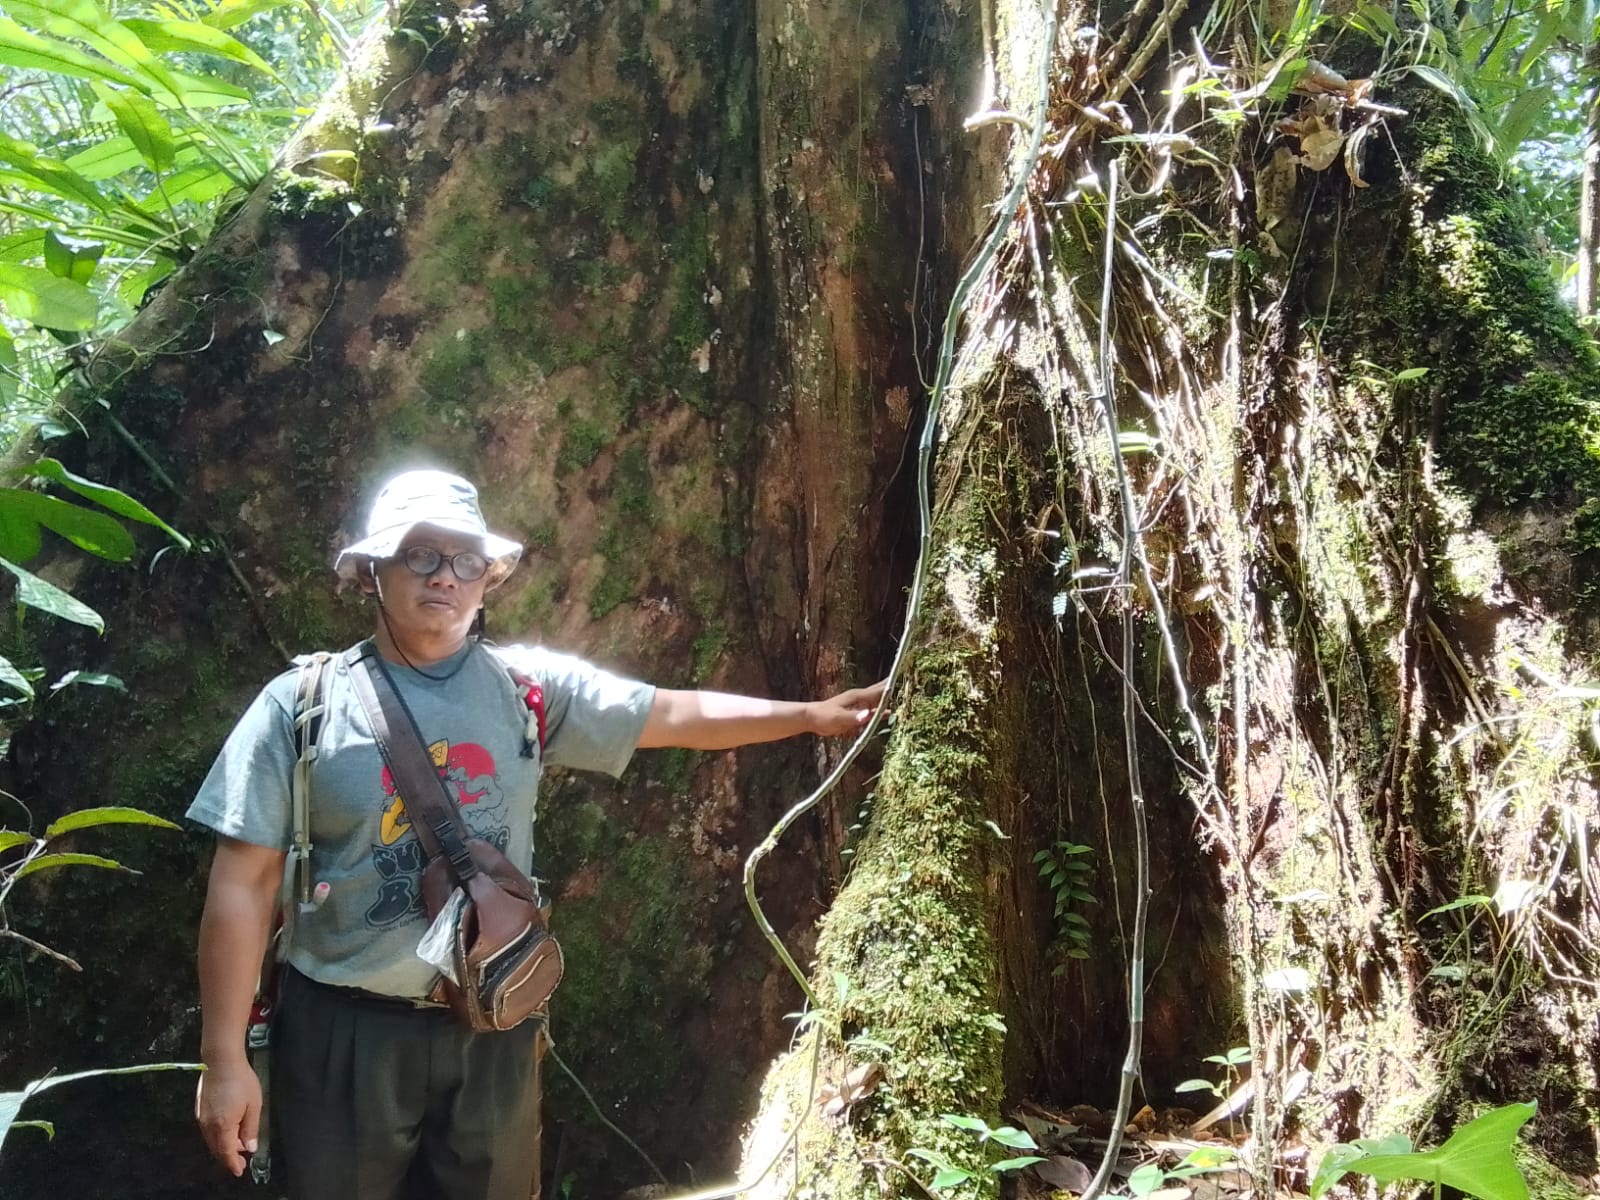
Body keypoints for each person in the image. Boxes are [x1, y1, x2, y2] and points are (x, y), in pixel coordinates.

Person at [189, 468, 885, 1200]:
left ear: (490, 578)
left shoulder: (528, 691)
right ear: (373, 570)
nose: (445, 577)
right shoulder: (303, 706)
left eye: (465, 561)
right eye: (420, 555)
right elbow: (243, 885)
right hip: (342, 1033)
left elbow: (673, 716)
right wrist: (223, 1058)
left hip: (493, 1020)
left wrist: (809, 715)